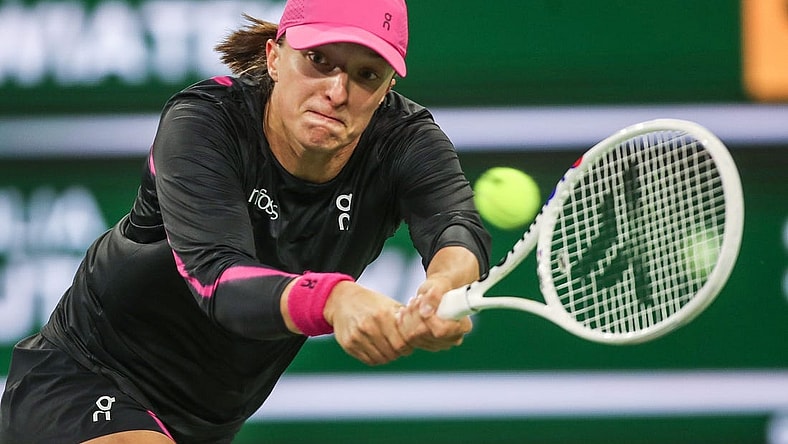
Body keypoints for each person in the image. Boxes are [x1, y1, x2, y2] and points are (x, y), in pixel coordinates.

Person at [0, 0, 491, 441]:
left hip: (208, 422)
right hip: (87, 376)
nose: (337, 91)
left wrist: (443, 288)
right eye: (319, 61)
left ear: (386, 89)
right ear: (275, 56)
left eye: (367, 74)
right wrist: (333, 299)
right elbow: (217, 278)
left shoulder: (407, 141)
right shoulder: (204, 120)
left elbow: (455, 226)